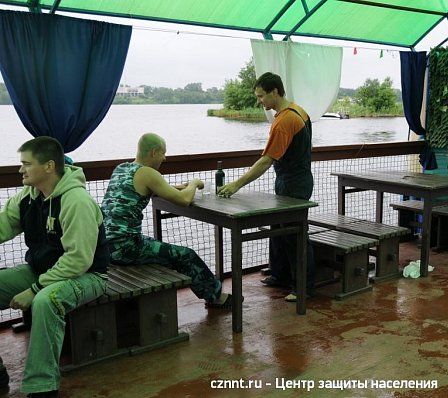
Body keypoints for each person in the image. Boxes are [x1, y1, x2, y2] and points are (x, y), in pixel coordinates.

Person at [0, 136, 110, 398]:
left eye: (26, 164)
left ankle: (42, 387)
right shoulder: (29, 196)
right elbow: (3, 226)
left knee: (45, 301)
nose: (20, 169)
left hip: (88, 275)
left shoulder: (76, 201)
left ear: (49, 166)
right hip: (43, 270)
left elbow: (78, 260)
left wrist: (35, 288)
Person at [101, 133, 232, 308]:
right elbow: (185, 200)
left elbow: (159, 189)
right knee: (186, 255)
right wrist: (193, 183)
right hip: (126, 249)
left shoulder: (122, 168)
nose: (165, 157)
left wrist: (181, 187)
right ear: (154, 152)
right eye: (163, 153)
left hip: (105, 245)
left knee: (164, 250)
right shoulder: (148, 173)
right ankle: (216, 297)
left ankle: (209, 293)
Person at [218, 72, 315, 302]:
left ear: (274, 92)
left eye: (261, 96)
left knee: (295, 234)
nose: (259, 101)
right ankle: (279, 274)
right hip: (296, 178)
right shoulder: (299, 111)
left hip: (293, 182)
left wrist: (236, 184)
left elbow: (266, 160)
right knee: (278, 228)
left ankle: (303, 287)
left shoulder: (283, 121)